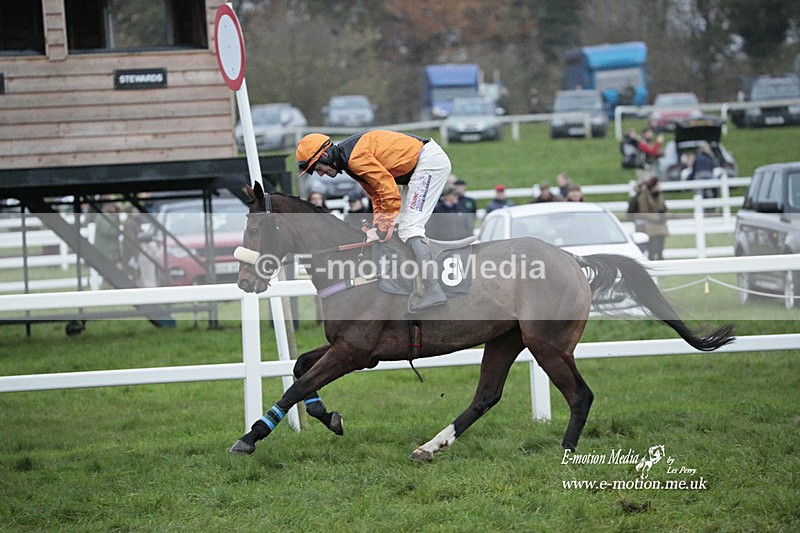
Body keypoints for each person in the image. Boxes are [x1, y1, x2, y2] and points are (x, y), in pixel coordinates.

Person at [295, 130, 450, 313]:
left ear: (326, 155)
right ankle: (412, 282)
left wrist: (383, 228)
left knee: (409, 227)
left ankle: (433, 288)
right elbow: (376, 195)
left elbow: (389, 191)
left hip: (428, 163)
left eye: (318, 168)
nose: (321, 174)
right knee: (399, 225)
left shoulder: (355, 159)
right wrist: (378, 225)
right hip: (415, 168)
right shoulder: (349, 162)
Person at [629, 176, 669, 260]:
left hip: (660, 226)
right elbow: (644, 211)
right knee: (652, 251)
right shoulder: (644, 197)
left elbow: (663, 208)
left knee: (660, 250)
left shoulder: (658, 196)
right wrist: (657, 218)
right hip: (650, 227)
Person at [93, 201, 122, 289]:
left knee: (111, 274)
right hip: (105, 252)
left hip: (111, 252)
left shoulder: (109, 217)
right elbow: (108, 232)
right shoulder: (102, 217)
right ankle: (105, 291)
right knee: (107, 275)